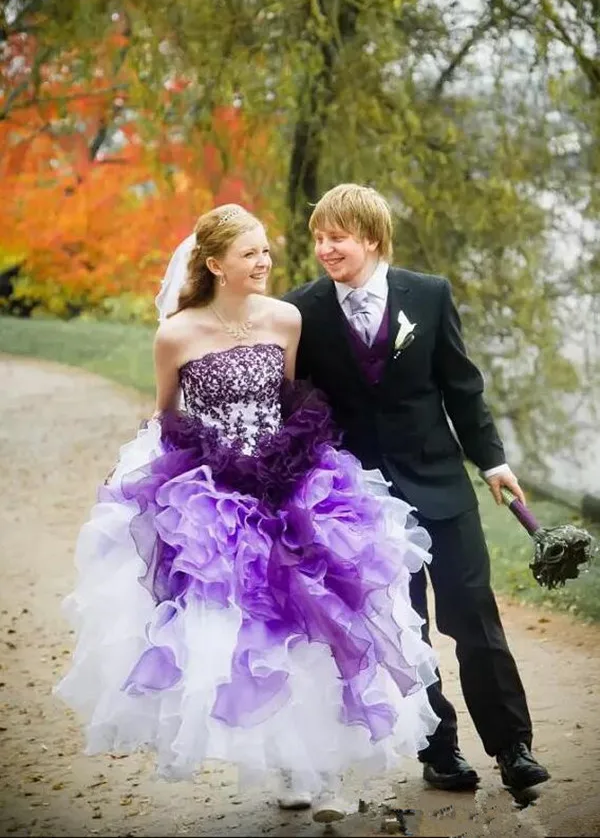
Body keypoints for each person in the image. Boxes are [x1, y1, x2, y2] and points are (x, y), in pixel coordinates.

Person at [55, 203, 441, 825]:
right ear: (214, 265)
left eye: (266, 251)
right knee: (252, 634)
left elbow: (288, 398)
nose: (264, 263)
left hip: (291, 483)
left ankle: (325, 768)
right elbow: (167, 414)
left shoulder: (285, 320)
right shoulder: (176, 334)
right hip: (214, 495)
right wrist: (153, 481)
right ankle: (289, 762)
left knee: (319, 620)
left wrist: (286, 460)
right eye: (249, 254)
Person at [282, 183, 550, 794]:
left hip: (441, 488)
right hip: (364, 503)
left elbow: (462, 386)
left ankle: (513, 749)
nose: (325, 248)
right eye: (318, 238)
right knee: (406, 632)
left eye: (337, 237)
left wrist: (491, 461)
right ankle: (440, 751)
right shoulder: (304, 311)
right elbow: (300, 407)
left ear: (371, 238)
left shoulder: (428, 296)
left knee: (474, 621)